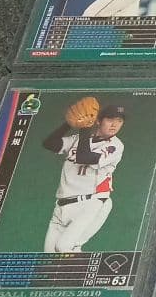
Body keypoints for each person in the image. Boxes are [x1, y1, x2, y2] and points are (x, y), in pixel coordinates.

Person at [42, 104, 127, 252]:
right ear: (98, 121)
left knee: (64, 247)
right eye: (110, 119)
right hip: (61, 207)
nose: (115, 124)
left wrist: (84, 127)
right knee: (50, 257)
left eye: (119, 121)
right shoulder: (78, 139)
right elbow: (49, 144)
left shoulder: (115, 146)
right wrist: (69, 123)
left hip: (91, 203)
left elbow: (84, 157)